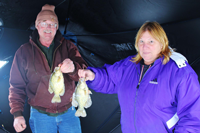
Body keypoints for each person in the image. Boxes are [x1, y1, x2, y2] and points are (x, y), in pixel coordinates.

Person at [78, 21, 200, 133]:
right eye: (141, 41)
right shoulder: (129, 65)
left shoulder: (179, 72)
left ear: (162, 43)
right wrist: (93, 76)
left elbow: (193, 116)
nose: (145, 46)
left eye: (151, 41)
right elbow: (110, 79)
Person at [8, 4, 87, 133]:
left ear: (57, 27)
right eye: (44, 23)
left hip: (69, 112)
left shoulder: (68, 47)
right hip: (40, 115)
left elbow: (84, 72)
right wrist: (17, 114)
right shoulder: (23, 52)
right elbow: (16, 86)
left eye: (52, 24)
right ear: (37, 25)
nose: (48, 28)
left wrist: (73, 68)